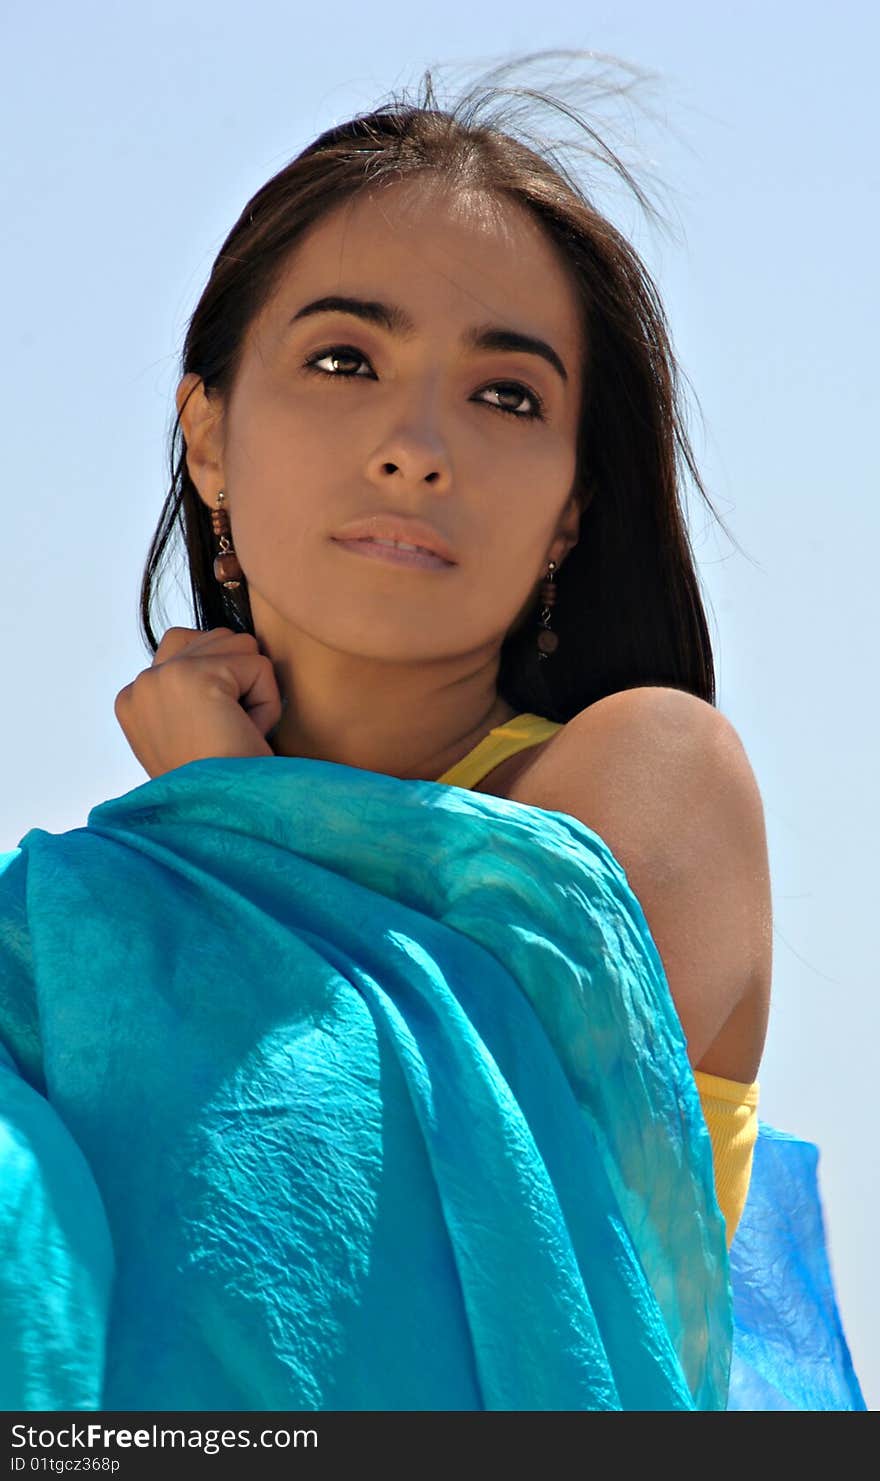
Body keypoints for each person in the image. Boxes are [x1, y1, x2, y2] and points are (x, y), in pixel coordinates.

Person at [0, 54, 865, 1411]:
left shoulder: (646, 773)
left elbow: (393, 1189)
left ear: (573, 509)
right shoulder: (87, 914)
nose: (416, 444)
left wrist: (227, 803)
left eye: (506, 394)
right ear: (207, 435)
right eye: (346, 359)